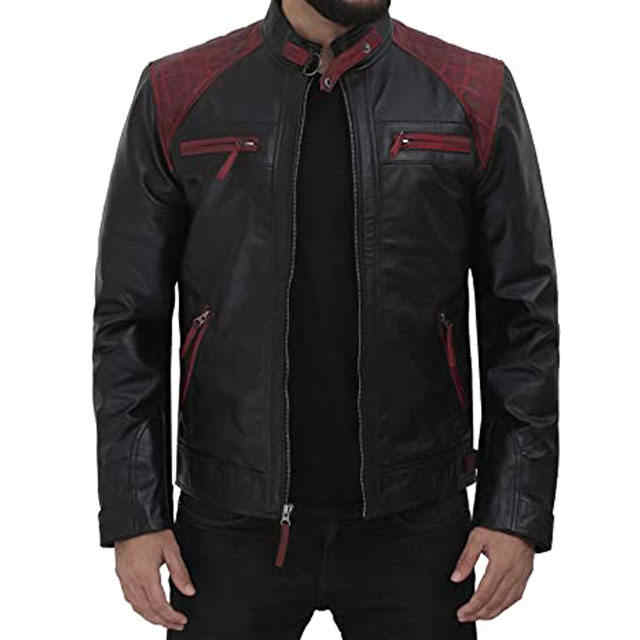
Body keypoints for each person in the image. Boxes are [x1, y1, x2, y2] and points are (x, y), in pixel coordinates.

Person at [93, 1, 559, 637]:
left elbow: (522, 316)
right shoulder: (179, 90)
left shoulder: (473, 90)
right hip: (229, 519)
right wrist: (135, 514)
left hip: (417, 521)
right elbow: (128, 321)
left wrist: (514, 509)